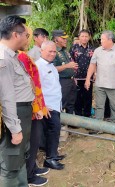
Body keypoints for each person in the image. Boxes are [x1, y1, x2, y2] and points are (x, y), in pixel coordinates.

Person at [0, 15, 35, 187]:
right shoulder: (3, 58)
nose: (27, 39)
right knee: (10, 162)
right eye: (26, 35)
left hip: (22, 112)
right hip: (15, 113)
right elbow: (6, 97)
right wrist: (14, 129)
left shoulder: (12, 55)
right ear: (16, 35)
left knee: (20, 156)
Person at [18, 35, 50, 185]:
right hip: (29, 108)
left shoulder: (22, 55)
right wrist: (38, 107)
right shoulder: (20, 57)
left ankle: (32, 168)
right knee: (31, 142)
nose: (28, 40)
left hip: (34, 105)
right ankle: (29, 175)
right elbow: (30, 85)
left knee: (33, 142)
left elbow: (36, 84)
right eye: (26, 37)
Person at [85, 30, 115, 124]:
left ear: (110, 40)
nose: (100, 41)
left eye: (102, 39)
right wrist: (88, 79)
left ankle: (114, 125)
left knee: (114, 106)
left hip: (114, 86)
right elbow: (92, 65)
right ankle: (98, 126)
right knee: (99, 106)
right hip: (100, 84)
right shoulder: (97, 51)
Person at [36, 41, 65, 170]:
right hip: (47, 106)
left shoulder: (51, 66)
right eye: (50, 51)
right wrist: (42, 105)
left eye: (54, 51)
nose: (53, 54)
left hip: (55, 104)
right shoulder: (38, 66)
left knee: (53, 131)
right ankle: (50, 159)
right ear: (42, 51)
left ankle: (53, 153)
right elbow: (35, 88)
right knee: (53, 129)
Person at [52, 30, 78, 114]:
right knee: (61, 103)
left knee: (71, 104)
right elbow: (52, 68)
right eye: (63, 38)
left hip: (71, 81)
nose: (65, 40)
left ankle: (70, 124)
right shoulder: (53, 51)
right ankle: (58, 124)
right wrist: (67, 66)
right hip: (62, 81)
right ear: (56, 39)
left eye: (66, 38)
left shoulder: (65, 51)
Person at [70, 29, 95, 117]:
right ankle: (78, 117)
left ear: (89, 37)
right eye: (82, 36)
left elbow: (95, 63)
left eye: (86, 36)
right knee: (77, 98)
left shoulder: (92, 49)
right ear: (79, 37)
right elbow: (71, 62)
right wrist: (72, 76)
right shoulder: (74, 48)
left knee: (88, 98)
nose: (84, 38)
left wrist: (95, 73)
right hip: (77, 77)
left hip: (88, 78)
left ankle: (87, 116)